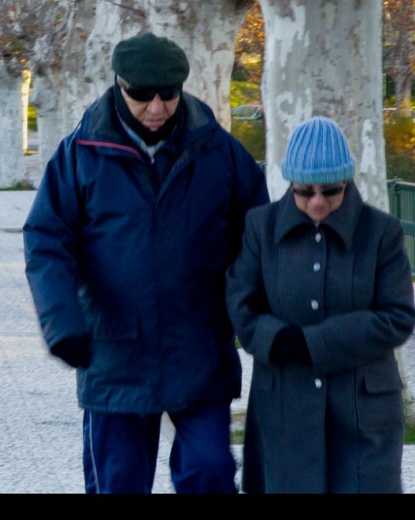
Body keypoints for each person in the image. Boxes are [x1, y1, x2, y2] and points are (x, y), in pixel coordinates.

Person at [23, 32, 269, 494]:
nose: (156, 108)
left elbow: (258, 242)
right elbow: (46, 239)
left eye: (168, 94)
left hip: (199, 348)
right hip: (115, 353)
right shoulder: (79, 156)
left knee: (211, 472)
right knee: (118, 483)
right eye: (141, 95)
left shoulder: (222, 154)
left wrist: (257, 319)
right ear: (119, 84)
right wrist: (62, 324)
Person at [225, 116, 415, 493]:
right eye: (304, 191)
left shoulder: (382, 232)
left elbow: (397, 316)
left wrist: (314, 343)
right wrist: (276, 339)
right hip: (286, 403)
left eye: (330, 190)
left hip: (363, 410)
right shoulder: (260, 228)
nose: (317, 201)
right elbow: (240, 301)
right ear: (289, 183)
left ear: (347, 181)